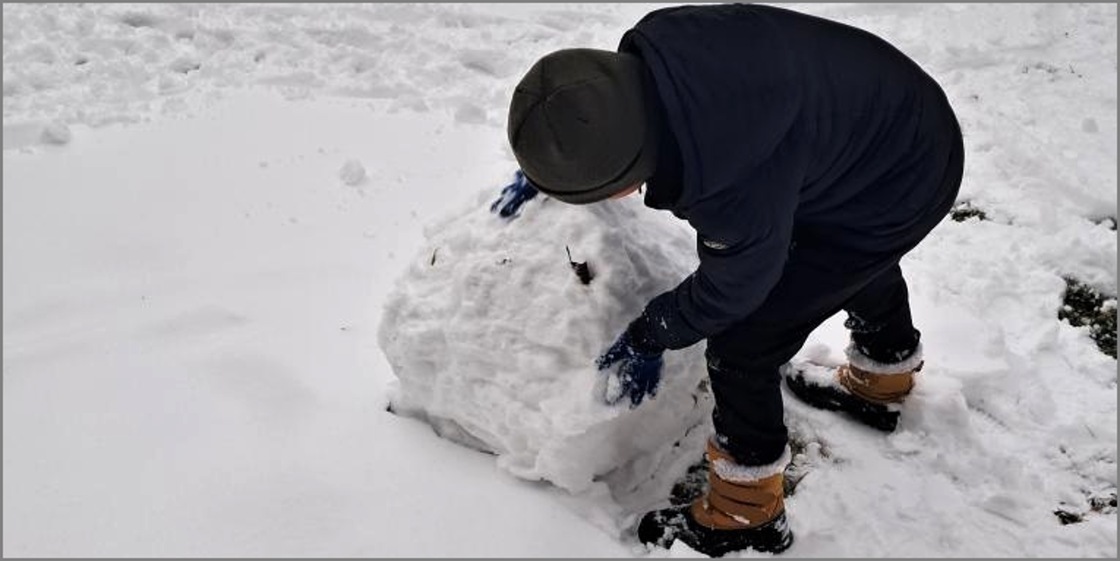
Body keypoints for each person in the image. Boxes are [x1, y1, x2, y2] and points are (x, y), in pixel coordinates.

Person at [496, 3, 964, 556]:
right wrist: (560, 169)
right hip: (889, 116)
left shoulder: (729, 180)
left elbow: (735, 290)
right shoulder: (663, 49)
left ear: (629, 173)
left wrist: (655, 330)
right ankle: (884, 380)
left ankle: (746, 513)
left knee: (746, 342)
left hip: (899, 176)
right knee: (842, 262)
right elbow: (586, 118)